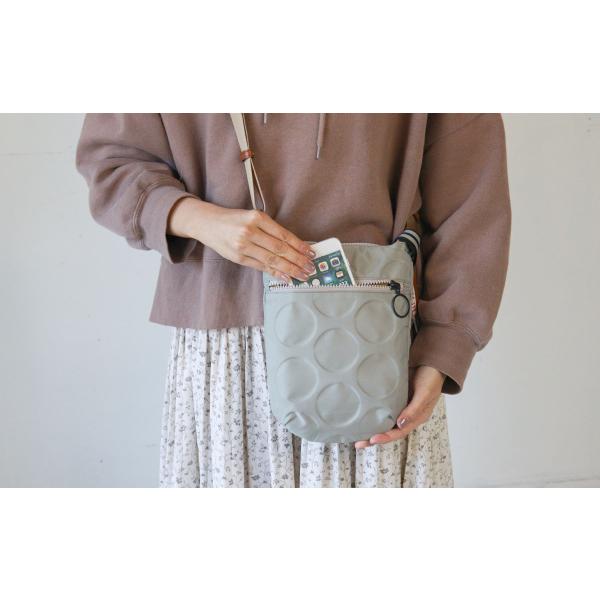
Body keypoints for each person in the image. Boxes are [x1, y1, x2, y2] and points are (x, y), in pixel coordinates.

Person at [76, 113, 511, 488]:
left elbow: (472, 191)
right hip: (227, 353)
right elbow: (112, 160)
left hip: (375, 349)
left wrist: (446, 345)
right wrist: (203, 221)